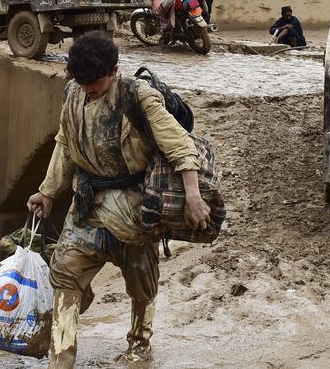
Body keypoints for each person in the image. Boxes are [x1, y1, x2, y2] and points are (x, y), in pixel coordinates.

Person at [27, 32, 210, 368]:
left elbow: (179, 145)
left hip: (135, 210)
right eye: (82, 83)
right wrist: (48, 191)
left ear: (113, 71)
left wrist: (193, 196)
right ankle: (61, 360)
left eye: (94, 82)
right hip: (88, 205)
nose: (88, 90)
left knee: (141, 283)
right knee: (65, 272)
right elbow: (65, 143)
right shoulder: (74, 94)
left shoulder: (138, 97)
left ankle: (140, 344)